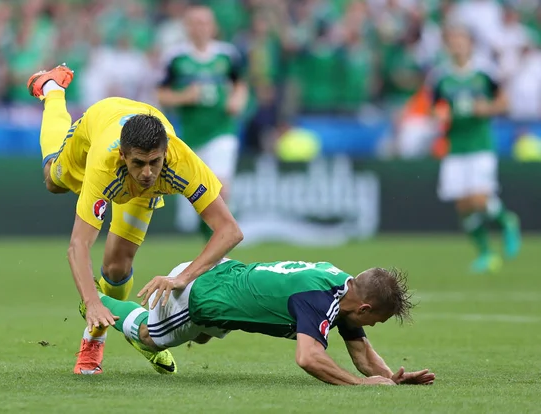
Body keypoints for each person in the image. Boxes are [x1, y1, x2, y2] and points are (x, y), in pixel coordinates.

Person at [27, 64, 243, 374]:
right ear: (123, 157)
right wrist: (91, 301)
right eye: (139, 163)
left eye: (155, 162)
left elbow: (230, 231)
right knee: (52, 181)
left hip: (142, 141)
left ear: (165, 152)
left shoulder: (181, 163)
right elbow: (78, 246)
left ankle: (94, 340)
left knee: (117, 268)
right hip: (100, 122)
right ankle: (52, 90)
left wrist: (183, 277)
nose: (147, 173)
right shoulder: (104, 166)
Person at [84, 259, 435, 386]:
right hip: (200, 295)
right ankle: (95, 302)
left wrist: (391, 378)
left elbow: (362, 355)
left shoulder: (342, 289)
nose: (372, 327)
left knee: (203, 339)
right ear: (366, 307)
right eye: (377, 320)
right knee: (149, 336)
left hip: (224, 276)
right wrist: (360, 386)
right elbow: (308, 358)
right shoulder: (319, 300)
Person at [430, 25, 521, 273]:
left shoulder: (484, 73)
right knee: (462, 204)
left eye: (462, 39)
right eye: (453, 40)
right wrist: (439, 115)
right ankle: (486, 254)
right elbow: (434, 108)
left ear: (470, 44)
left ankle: (507, 221)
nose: (457, 44)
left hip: (480, 144)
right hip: (455, 146)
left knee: (479, 198)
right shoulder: (441, 77)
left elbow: (504, 102)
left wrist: (488, 108)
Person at [157, 6, 248, 241]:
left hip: (221, 130)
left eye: (205, 22)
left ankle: (222, 239)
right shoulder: (176, 58)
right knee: (199, 195)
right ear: (187, 27)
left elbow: (240, 84)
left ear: (214, 27)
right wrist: (184, 97)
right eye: (195, 23)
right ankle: (209, 237)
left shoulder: (227, 55)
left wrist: (237, 100)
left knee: (220, 187)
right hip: (191, 134)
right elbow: (161, 95)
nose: (200, 28)